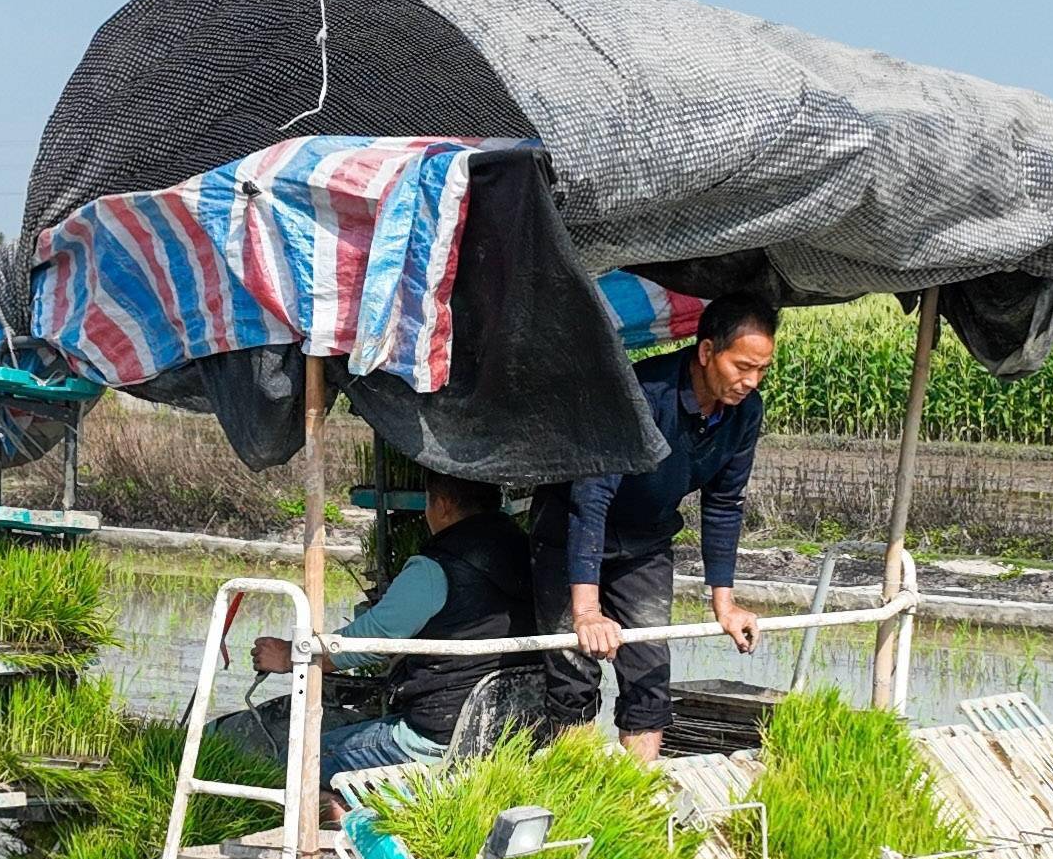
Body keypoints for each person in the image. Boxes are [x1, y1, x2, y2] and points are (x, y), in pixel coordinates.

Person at [539, 293, 777, 758]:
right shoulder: (642, 396)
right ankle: (575, 796)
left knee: (649, 676)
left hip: (646, 544)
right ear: (707, 352)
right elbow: (592, 497)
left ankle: (637, 797)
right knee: (575, 673)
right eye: (742, 366)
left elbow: (725, 502)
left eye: (762, 369)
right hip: (571, 534)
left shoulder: (744, 413)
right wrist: (587, 611)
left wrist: (723, 605)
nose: (751, 381)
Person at [218, 472, 539, 789]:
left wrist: (290, 655)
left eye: (428, 503)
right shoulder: (526, 550)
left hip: (440, 736)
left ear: (442, 505)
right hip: (507, 728)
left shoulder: (436, 568)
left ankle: (343, 811)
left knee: (294, 761)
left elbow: (370, 640)